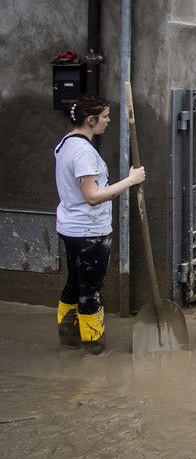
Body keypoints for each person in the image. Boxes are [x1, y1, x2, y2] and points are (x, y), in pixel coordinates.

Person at [54, 93, 146, 355]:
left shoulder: (65, 144)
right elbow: (92, 196)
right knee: (90, 291)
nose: (108, 121)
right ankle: (94, 350)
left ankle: (68, 341)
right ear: (90, 119)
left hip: (70, 228)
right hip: (90, 233)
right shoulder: (83, 152)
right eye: (104, 117)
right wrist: (131, 181)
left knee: (73, 284)